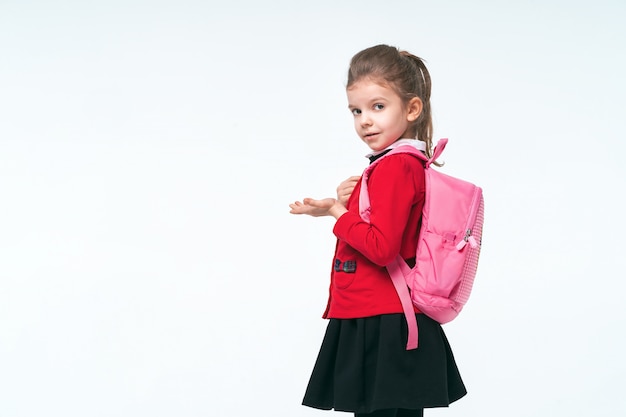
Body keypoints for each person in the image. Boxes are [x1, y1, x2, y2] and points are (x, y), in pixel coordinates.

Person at [289, 44, 467, 417]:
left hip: (383, 321)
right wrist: (338, 208)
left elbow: (382, 248)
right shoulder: (400, 164)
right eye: (356, 111)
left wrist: (340, 212)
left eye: (378, 107)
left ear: (412, 109)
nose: (365, 121)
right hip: (385, 317)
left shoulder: (394, 166)